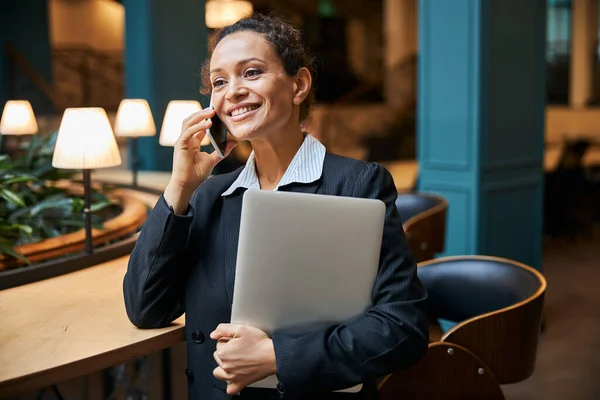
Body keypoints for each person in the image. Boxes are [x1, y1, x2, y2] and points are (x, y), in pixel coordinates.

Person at [123, 14, 429, 400]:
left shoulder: (356, 184)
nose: (231, 91)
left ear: (298, 85)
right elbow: (145, 307)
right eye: (219, 81)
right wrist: (179, 187)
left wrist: (278, 356)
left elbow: (403, 327)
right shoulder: (209, 195)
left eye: (250, 72)